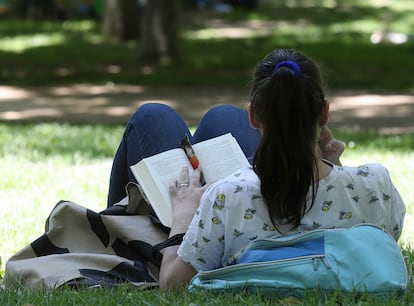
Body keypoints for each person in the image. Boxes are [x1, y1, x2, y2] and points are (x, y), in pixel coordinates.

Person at [107, 48, 406, 290]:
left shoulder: (226, 197)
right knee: (222, 117)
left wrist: (184, 218)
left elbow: (173, 285)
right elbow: (373, 235)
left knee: (152, 116)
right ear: (324, 112)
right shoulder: (376, 185)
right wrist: (336, 168)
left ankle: (109, 241)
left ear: (253, 116)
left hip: (210, 223)